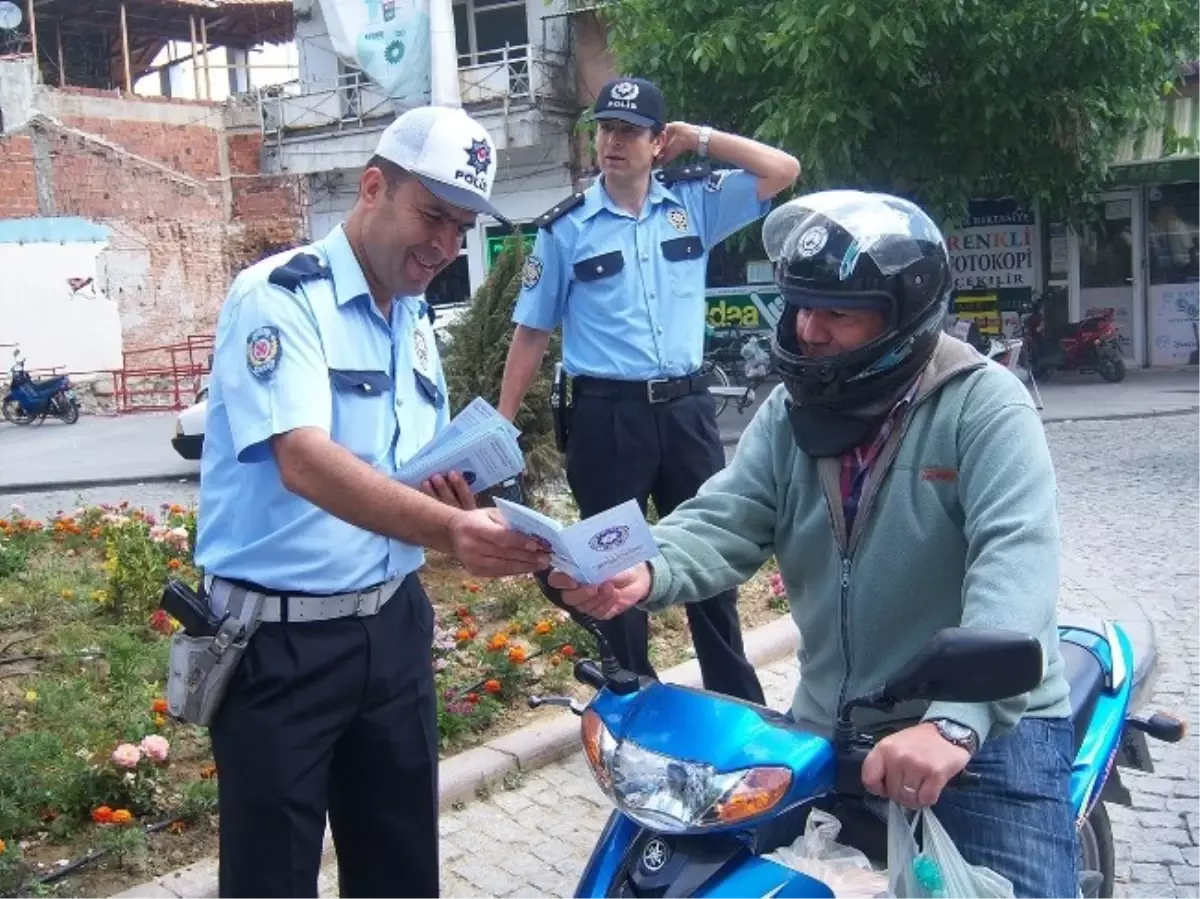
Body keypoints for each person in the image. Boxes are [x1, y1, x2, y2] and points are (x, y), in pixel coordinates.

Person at [548, 189, 1078, 898]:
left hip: (986, 739)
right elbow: (727, 515)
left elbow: (1016, 566)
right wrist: (644, 567)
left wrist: (954, 723)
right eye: (800, 307)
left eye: (838, 313)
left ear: (904, 319)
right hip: (831, 728)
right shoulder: (790, 414)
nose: (808, 330)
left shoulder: (984, 407)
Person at [193, 105, 551, 899]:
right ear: (371, 187)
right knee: (271, 878)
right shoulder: (281, 298)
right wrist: (454, 526)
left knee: (399, 872)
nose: (445, 246)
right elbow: (305, 462)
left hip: (391, 627)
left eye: (461, 228)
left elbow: (397, 470)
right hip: (278, 644)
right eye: (432, 217)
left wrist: (457, 493)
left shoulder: (412, 318)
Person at [497, 76, 801, 705]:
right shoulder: (567, 229)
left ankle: (736, 703)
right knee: (612, 564)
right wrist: (502, 430)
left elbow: (783, 170)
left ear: (659, 142)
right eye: (606, 128)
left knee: (708, 558)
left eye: (630, 131)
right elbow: (530, 335)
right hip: (607, 418)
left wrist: (703, 138)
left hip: (687, 411)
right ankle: (632, 702)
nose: (613, 141)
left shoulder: (696, 204)